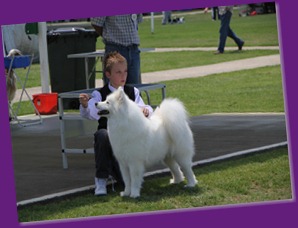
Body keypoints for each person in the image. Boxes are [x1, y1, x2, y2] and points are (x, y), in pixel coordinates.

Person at [79, 52, 153, 196]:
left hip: (127, 143)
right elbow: (91, 113)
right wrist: (85, 105)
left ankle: (118, 172)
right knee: (102, 135)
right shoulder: (100, 94)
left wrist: (145, 111)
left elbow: (147, 110)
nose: (123, 76)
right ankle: (100, 180)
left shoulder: (133, 92)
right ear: (108, 74)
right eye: (118, 72)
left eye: (125, 71)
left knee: (124, 182)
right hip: (108, 139)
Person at [90, 14, 143, 84]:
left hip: (133, 50)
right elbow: (96, 23)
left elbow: (137, 20)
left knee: (134, 89)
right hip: (115, 48)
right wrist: (108, 35)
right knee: (114, 89)